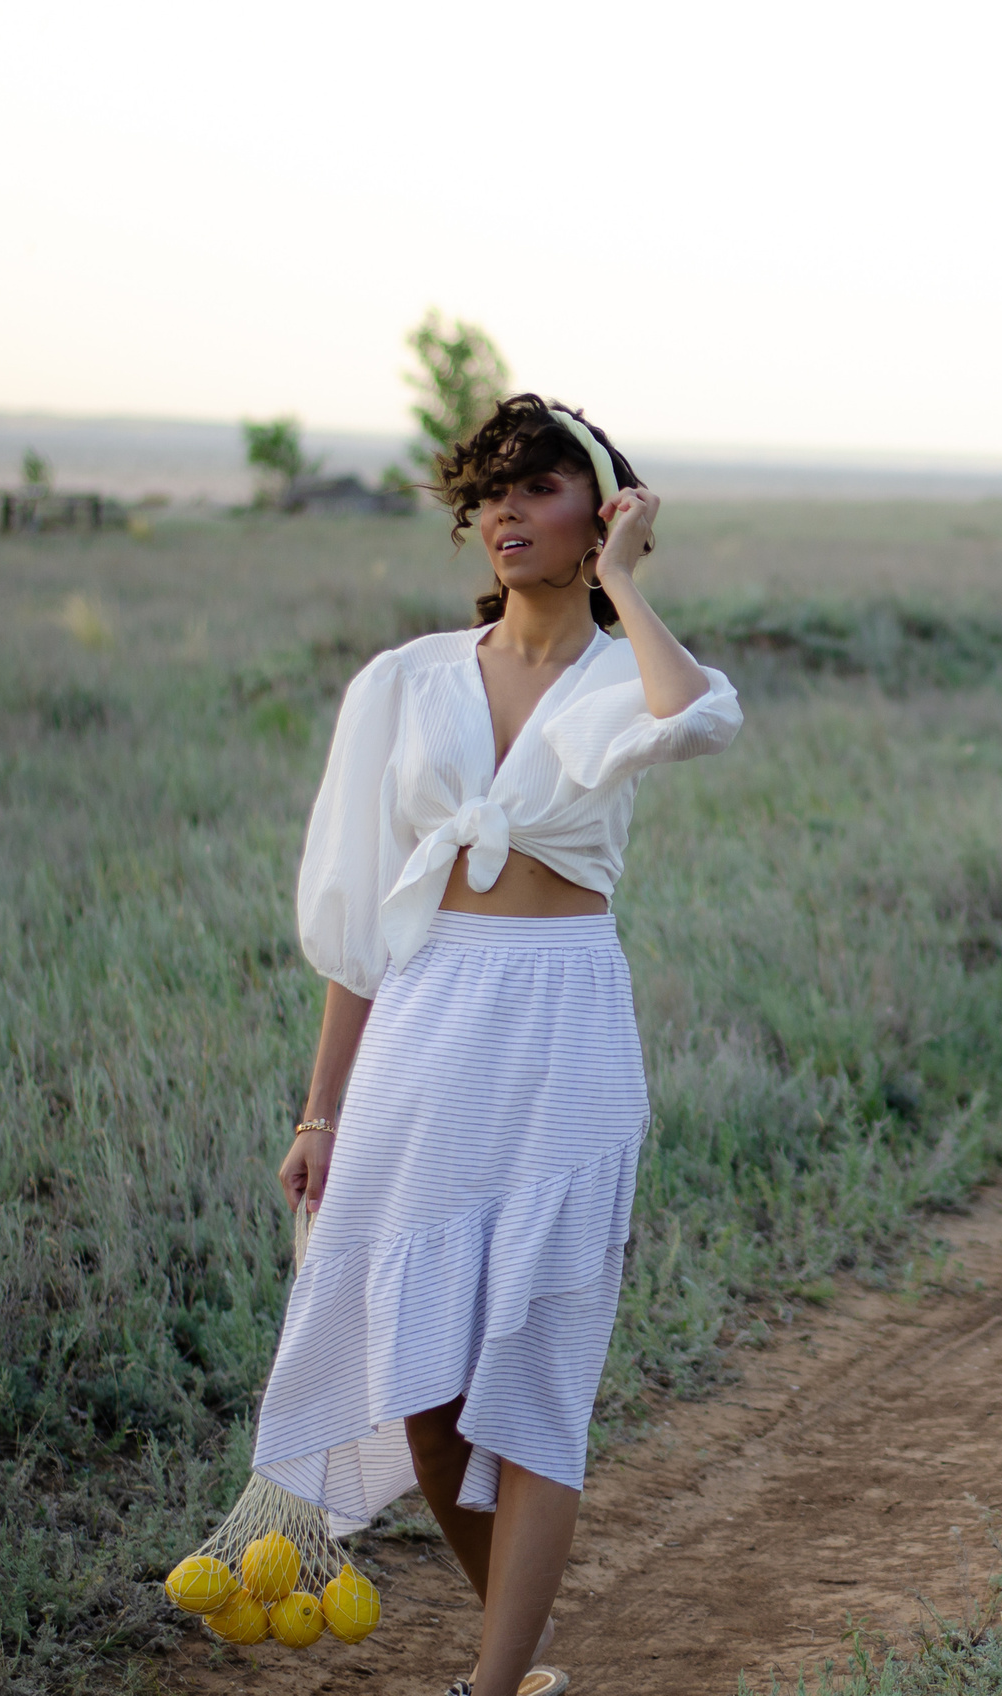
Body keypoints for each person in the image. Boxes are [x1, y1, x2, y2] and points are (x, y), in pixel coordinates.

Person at [254, 395, 743, 1696]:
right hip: (425, 1028)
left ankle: (492, 1683)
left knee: (530, 1383)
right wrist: (320, 1113)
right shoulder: (402, 682)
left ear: (604, 512)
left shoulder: (626, 672)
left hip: (563, 1034)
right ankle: (518, 1661)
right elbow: (362, 921)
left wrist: (624, 583)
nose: (505, 513)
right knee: (424, 1399)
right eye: (489, 493)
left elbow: (696, 716)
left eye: (538, 488)